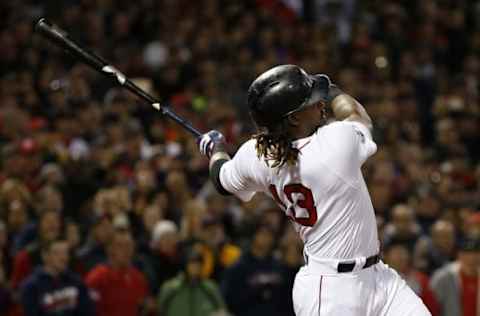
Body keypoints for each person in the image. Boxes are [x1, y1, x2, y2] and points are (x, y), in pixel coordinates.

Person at [198, 64, 431, 315]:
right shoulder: (335, 143)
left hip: (377, 277)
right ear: (294, 118)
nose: (321, 104)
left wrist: (216, 147)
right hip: (330, 292)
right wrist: (332, 90)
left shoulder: (255, 155)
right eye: (311, 100)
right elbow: (356, 115)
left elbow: (221, 179)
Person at [221, 223, 290, 316]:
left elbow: (286, 299)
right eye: (263, 234)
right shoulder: (239, 267)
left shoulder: (279, 266)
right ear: (254, 236)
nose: (267, 238)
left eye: (270, 235)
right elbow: (230, 300)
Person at [19, 238, 94, 316]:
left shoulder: (76, 281)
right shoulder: (31, 286)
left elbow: (87, 311)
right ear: (45, 256)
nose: (63, 258)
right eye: (57, 253)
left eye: (65, 253)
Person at [85, 229, 150, 316]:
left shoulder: (138, 278)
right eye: (120, 246)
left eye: (129, 245)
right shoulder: (97, 278)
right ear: (109, 249)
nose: (126, 250)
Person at [157, 245, 227, 316]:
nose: (195, 268)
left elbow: (222, 311)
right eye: (192, 264)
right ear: (184, 265)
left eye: (198, 264)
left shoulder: (210, 288)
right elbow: (160, 310)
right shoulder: (171, 288)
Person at [430, 237, 480, 316]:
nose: (472, 257)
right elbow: (432, 305)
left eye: (475, 253)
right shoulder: (444, 276)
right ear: (459, 254)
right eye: (467, 253)